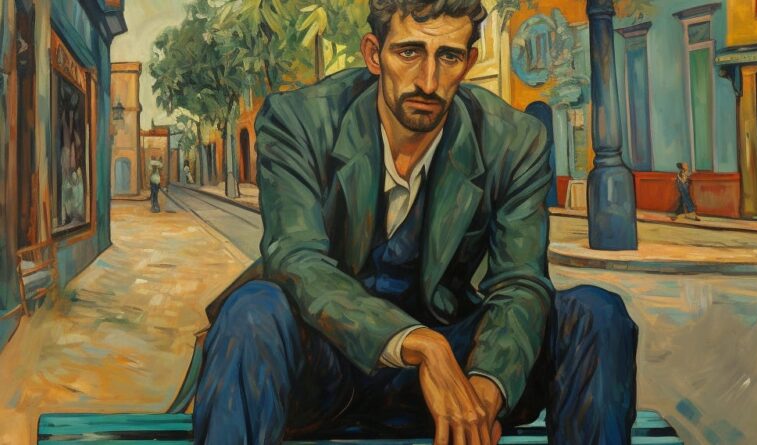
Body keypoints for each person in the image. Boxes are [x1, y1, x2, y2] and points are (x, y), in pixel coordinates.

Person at [194, 1, 638, 444]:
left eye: (449, 56)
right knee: (252, 308)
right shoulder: (300, 121)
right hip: (329, 369)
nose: (428, 81)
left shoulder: (514, 140)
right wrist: (419, 343)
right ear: (373, 54)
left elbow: (519, 282)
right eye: (409, 52)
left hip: (455, 372)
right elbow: (296, 259)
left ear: (469, 61)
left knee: (595, 312)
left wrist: (484, 391)